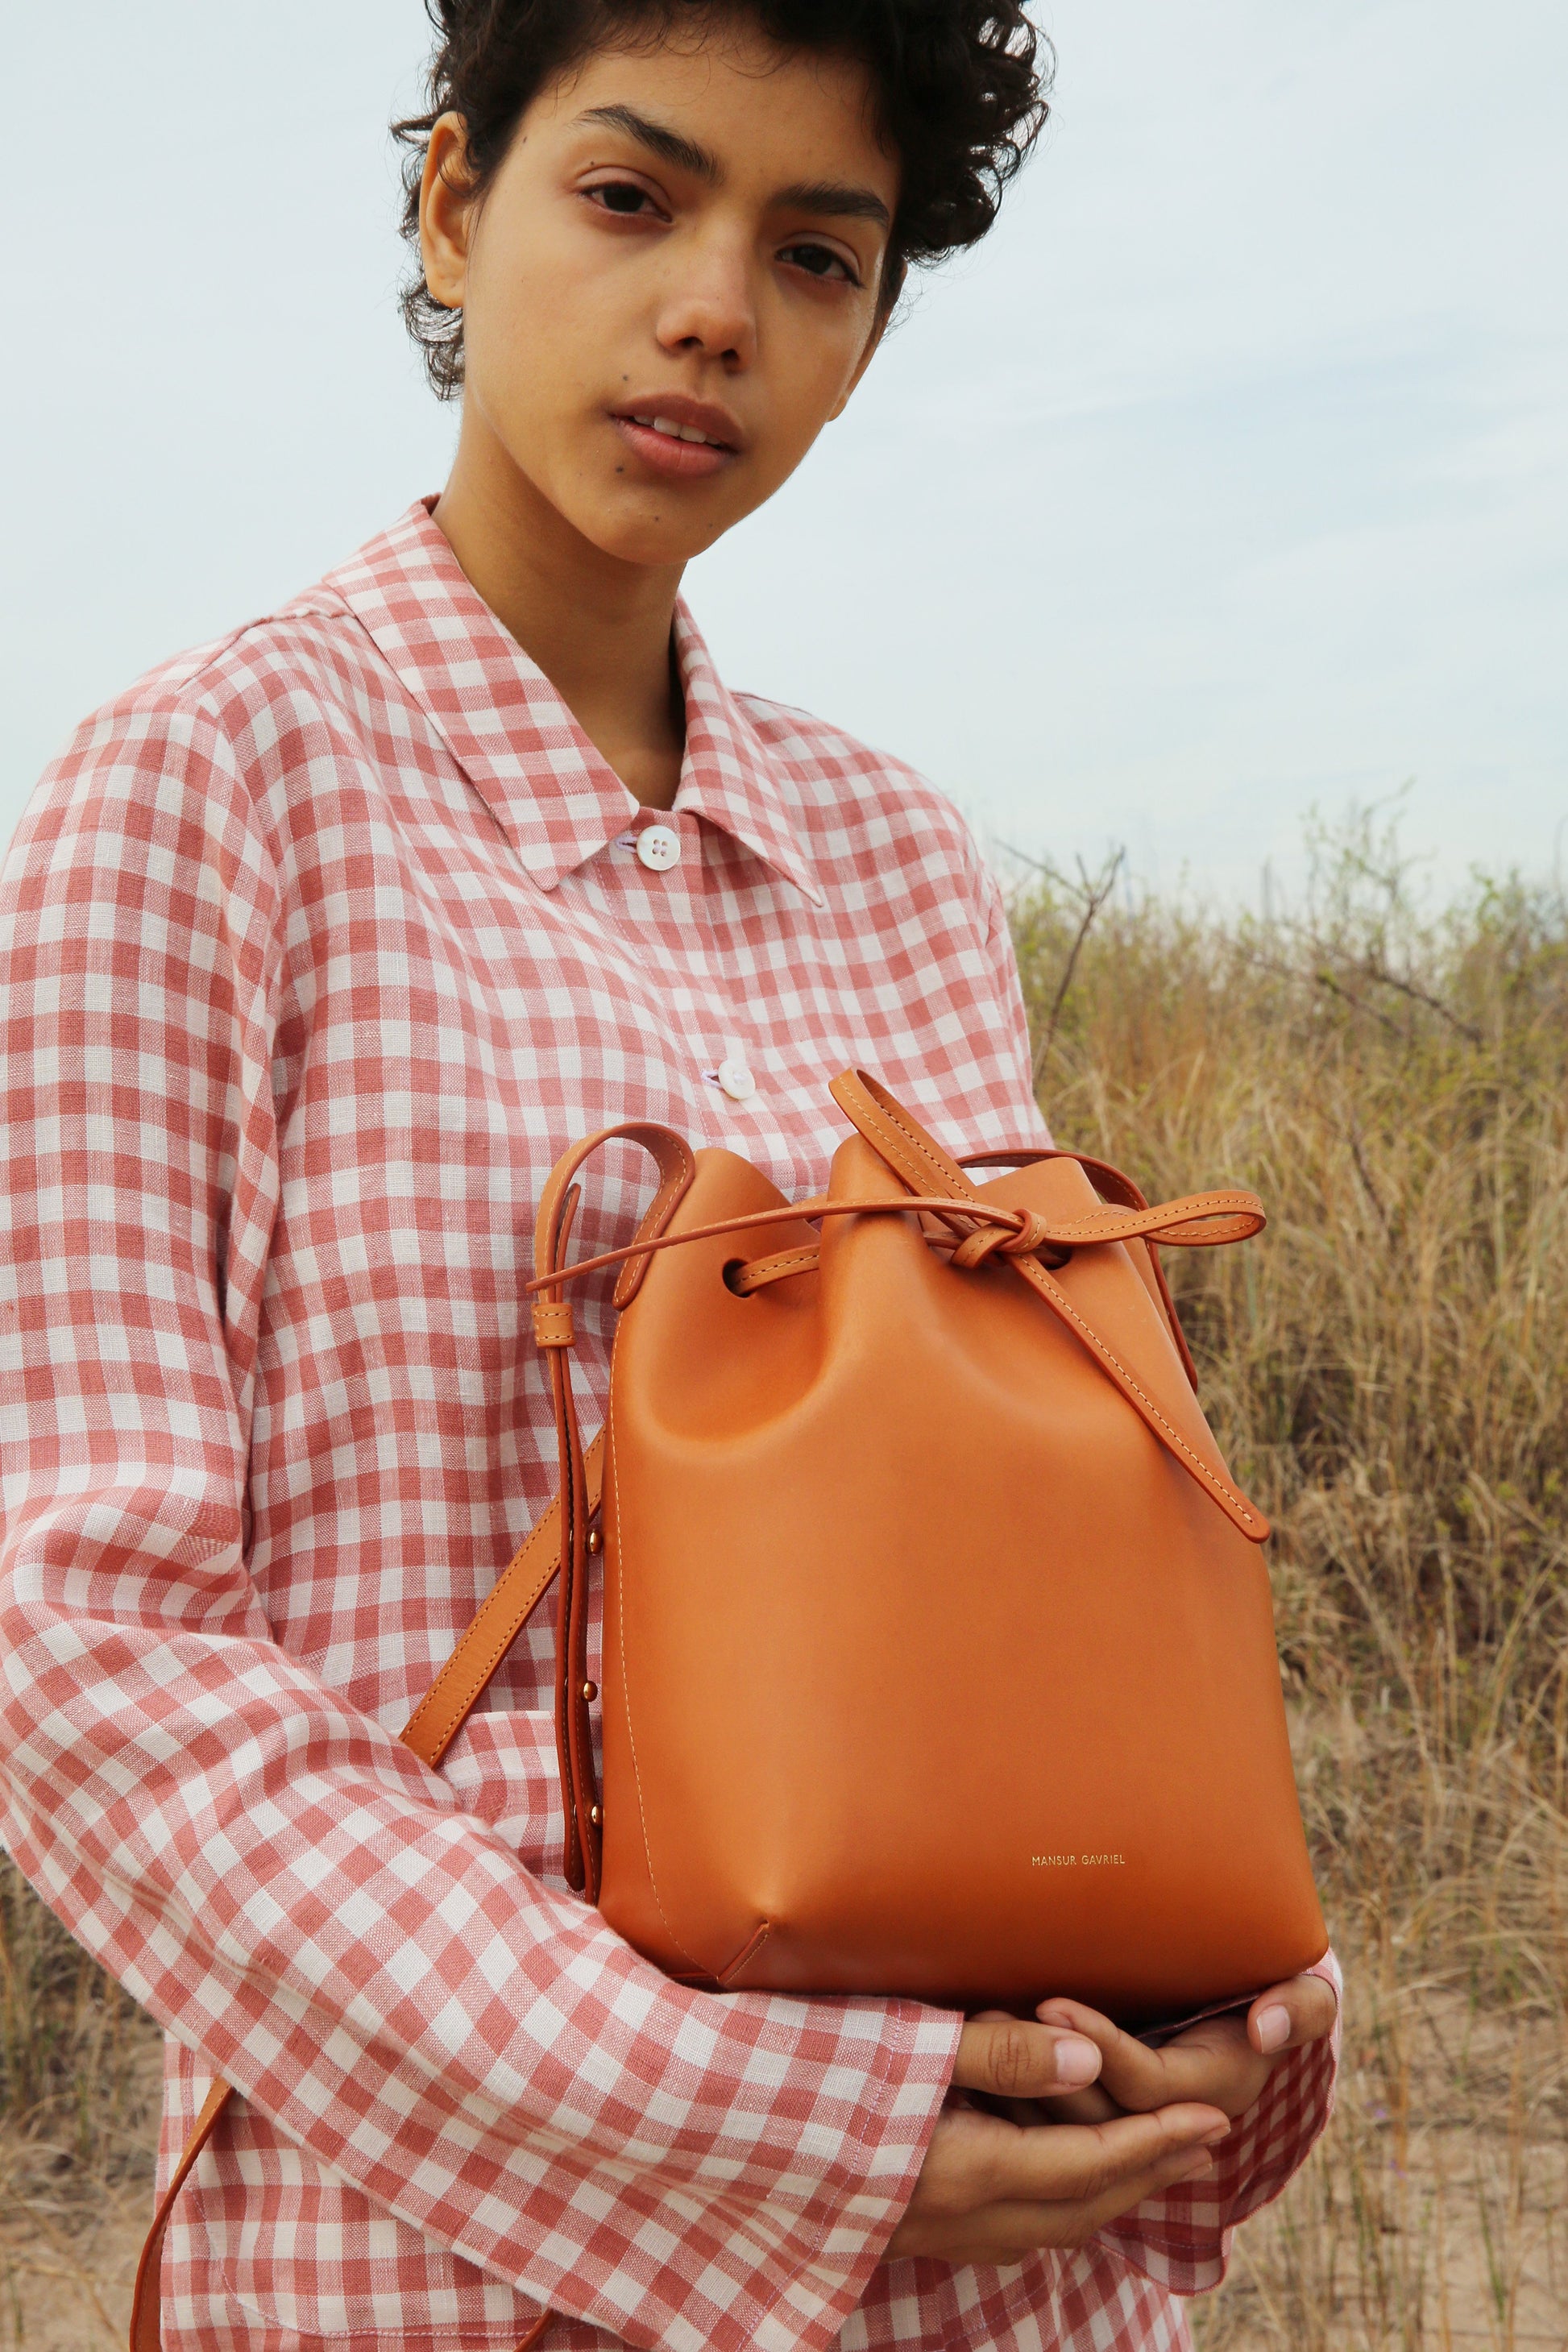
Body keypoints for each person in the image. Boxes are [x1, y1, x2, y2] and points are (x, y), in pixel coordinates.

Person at [0, 5, 1338, 2348]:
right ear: (454, 203)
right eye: (631, 198)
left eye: (819, 255)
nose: (716, 308)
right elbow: (87, 1653)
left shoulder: (899, 855)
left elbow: (1044, 1555)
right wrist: (762, 2126)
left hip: (1005, 2237)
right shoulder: (208, 787)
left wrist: (1217, 1999)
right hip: (451, 2254)